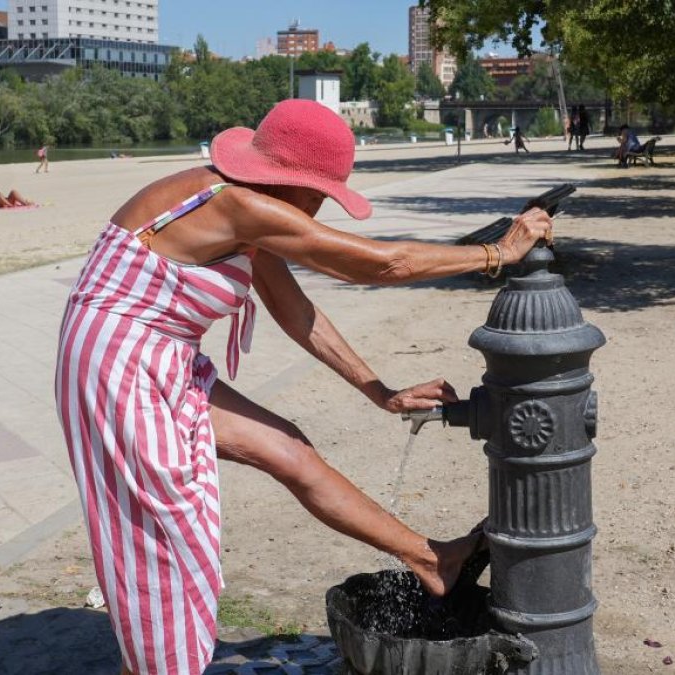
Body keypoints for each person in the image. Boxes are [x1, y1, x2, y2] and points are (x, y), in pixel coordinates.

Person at [55, 99, 553, 675]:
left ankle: (431, 559)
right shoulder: (236, 205)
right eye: (321, 195)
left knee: (288, 448)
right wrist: (499, 252)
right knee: (166, 541)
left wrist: (379, 391)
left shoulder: (243, 212)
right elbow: (382, 264)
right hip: (121, 368)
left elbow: (296, 312)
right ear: (289, 181)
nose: (320, 209)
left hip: (151, 356)